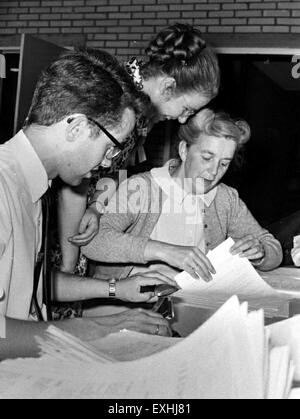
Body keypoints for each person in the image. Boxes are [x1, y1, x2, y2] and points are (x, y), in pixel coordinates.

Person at [0, 48, 176, 359]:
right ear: (76, 127)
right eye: (111, 147)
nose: (109, 162)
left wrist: (115, 291)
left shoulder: (34, 183)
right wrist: (94, 331)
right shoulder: (3, 187)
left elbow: (28, 285)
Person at [58, 23, 220, 275]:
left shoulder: (145, 110)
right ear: (168, 86)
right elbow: (72, 179)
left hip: (82, 211)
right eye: (187, 109)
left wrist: (98, 205)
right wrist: (68, 267)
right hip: (59, 219)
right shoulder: (112, 97)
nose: (182, 119)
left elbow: (118, 167)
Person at [82, 109, 283, 285]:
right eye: (207, 158)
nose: (213, 172)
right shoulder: (141, 187)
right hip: (129, 304)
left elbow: (273, 248)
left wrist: (261, 253)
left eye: (224, 164)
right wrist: (164, 251)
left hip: (192, 301)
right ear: (184, 150)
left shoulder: (225, 198)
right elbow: (93, 243)